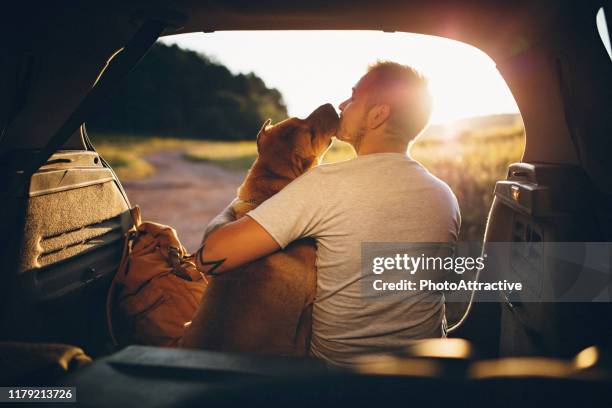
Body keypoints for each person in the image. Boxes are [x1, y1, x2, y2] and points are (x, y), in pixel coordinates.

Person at [194, 61, 461, 366]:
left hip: (337, 379)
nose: (342, 104)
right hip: (423, 375)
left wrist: (238, 206)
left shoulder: (324, 185)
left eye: (353, 97)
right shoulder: (444, 195)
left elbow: (209, 257)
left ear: (378, 114)